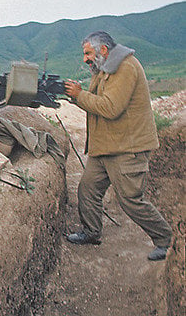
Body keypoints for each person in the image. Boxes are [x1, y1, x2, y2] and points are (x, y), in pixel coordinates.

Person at [63, 31, 172, 261]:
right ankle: (91, 233)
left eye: (88, 53)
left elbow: (110, 108)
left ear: (103, 50)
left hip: (127, 148)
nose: (85, 59)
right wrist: (74, 95)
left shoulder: (126, 68)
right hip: (106, 148)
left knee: (131, 200)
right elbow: (93, 100)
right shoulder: (104, 69)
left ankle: (166, 241)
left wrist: (79, 95)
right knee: (88, 189)